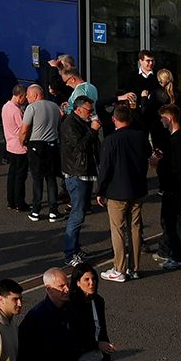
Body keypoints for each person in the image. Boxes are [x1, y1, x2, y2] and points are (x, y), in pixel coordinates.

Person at [94, 104, 150, 282]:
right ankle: (134, 268)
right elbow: (148, 154)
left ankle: (119, 268)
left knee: (117, 230)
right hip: (137, 189)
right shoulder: (140, 137)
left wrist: (100, 191)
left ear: (114, 119)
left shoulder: (111, 140)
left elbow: (105, 169)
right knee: (135, 228)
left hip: (116, 191)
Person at [150, 103, 181, 270]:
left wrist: (158, 164)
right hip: (176, 186)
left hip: (175, 187)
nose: (161, 121)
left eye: (162, 118)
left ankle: (177, 255)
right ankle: (165, 250)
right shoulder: (180, 137)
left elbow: (177, 167)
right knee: (167, 219)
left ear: (169, 118)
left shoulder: (177, 140)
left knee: (173, 221)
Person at [61, 95, 100, 266]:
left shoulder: (80, 122)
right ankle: (70, 253)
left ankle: (75, 249)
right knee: (77, 215)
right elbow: (80, 146)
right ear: (78, 109)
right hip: (77, 174)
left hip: (84, 172)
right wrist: (93, 130)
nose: (91, 114)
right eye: (89, 111)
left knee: (81, 212)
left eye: (92, 111)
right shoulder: (70, 124)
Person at [16, 267, 75, 361]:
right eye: (62, 286)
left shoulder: (71, 306)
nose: (67, 289)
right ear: (49, 289)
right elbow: (24, 352)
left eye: (68, 284)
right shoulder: (36, 317)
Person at [20, 84, 62, 221]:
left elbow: (25, 129)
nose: (27, 97)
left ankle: (36, 211)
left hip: (36, 146)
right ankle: (53, 211)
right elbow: (58, 126)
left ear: (36, 95)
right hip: (52, 145)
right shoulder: (55, 107)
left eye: (29, 95)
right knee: (51, 179)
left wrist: (22, 141)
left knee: (37, 179)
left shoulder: (31, 108)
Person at [68, 263, 117, 361]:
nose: (92, 283)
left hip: (97, 357)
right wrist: (97, 345)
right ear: (78, 283)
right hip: (80, 358)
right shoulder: (72, 305)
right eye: (87, 280)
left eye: (93, 279)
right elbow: (75, 337)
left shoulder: (98, 301)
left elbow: (102, 331)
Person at [3, 85, 30, 213]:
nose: (25, 99)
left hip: (10, 145)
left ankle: (11, 201)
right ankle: (20, 202)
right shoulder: (16, 110)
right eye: (25, 97)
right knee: (21, 176)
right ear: (20, 96)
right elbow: (23, 129)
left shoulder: (5, 107)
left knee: (12, 174)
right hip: (20, 147)